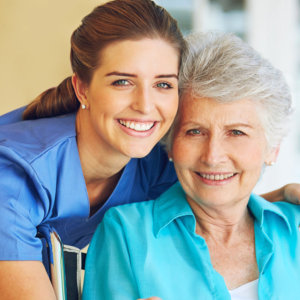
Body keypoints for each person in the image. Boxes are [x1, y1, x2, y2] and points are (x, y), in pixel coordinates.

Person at [0, 1, 298, 299]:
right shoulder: (12, 177)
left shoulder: (155, 161)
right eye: (122, 82)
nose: (144, 105)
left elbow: (216, 193)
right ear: (82, 89)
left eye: (163, 85)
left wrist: (278, 200)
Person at [82, 32, 300, 300]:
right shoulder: (127, 232)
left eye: (236, 133)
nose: (212, 156)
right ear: (170, 144)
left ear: (273, 147)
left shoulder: (295, 230)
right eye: (194, 132)